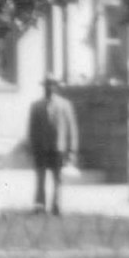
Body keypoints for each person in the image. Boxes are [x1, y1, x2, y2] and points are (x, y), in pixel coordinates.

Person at [27, 74, 78, 215]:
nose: (49, 87)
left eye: (52, 84)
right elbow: (32, 129)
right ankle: (40, 206)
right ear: (43, 87)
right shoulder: (36, 106)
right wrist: (32, 147)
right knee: (40, 178)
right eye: (47, 85)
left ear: (56, 87)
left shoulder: (65, 105)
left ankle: (56, 206)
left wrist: (72, 151)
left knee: (57, 179)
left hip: (58, 147)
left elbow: (72, 129)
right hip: (41, 148)